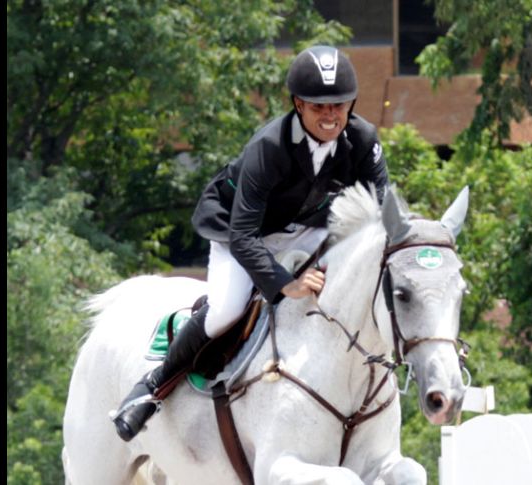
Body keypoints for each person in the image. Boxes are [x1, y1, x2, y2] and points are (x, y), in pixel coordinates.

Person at [112, 45, 389, 442]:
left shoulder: (363, 140)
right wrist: (283, 283)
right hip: (240, 229)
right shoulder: (270, 146)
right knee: (226, 310)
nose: (330, 116)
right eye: (318, 107)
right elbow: (243, 234)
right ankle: (152, 386)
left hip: (305, 226)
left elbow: (380, 212)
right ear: (298, 104)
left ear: (351, 104)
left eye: (338, 105)